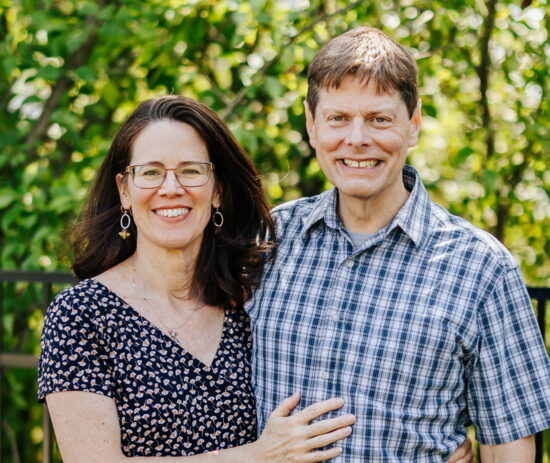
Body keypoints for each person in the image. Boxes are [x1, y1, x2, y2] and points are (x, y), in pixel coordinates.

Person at [246, 26, 550, 461]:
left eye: (379, 119)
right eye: (338, 118)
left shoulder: (481, 268)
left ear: (413, 124)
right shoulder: (268, 240)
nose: (357, 139)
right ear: (312, 125)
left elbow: (511, 446)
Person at [37, 95, 358, 462]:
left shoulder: (248, 299)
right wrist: (255, 456)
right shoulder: (81, 314)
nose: (171, 188)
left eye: (190, 171)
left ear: (217, 189)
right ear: (125, 190)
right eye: (151, 172)